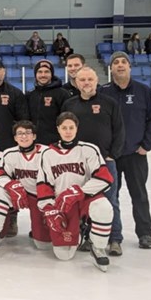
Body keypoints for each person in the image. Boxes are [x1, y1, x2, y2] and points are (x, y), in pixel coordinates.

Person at [36, 112, 115, 272]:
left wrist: (78, 192)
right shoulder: (47, 153)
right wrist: (49, 208)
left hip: (86, 198)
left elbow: (105, 179)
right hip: (62, 203)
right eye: (64, 127)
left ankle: (98, 247)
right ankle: (80, 230)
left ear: (77, 128)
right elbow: (43, 184)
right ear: (58, 129)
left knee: (104, 208)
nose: (68, 131)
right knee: (63, 256)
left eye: (71, 127)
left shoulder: (89, 149)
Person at [101, 52, 151, 254]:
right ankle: (111, 235)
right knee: (110, 198)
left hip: (136, 154)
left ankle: (145, 234)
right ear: (110, 68)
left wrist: (146, 145)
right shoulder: (103, 92)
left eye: (123, 62)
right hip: (112, 157)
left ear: (130, 67)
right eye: (116, 62)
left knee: (139, 195)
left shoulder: (144, 92)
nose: (120, 65)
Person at [61, 66, 124, 252]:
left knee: (110, 200)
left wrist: (113, 155)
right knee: (81, 200)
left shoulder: (109, 103)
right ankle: (87, 236)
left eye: (90, 79)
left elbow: (119, 131)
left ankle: (114, 239)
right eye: (82, 80)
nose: (86, 83)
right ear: (76, 82)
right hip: (78, 164)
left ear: (96, 81)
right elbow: (65, 131)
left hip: (105, 162)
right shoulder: (69, 104)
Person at [0, 121, 47, 258]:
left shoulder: (46, 152)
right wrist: (13, 186)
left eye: (27, 133)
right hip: (17, 194)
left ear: (34, 136)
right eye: (20, 133)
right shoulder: (9, 153)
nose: (24, 136)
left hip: (40, 197)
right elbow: (0, 176)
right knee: (0, 192)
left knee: (43, 245)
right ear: (15, 138)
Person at [26, 60, 70, 145]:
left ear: (52, 74)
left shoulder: (62, 93)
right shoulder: (30, 95)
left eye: (46, 72)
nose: (43, 75)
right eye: (40, 72)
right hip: (34, 143)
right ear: (35, 74)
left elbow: (67, 119)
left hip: (55, 143)